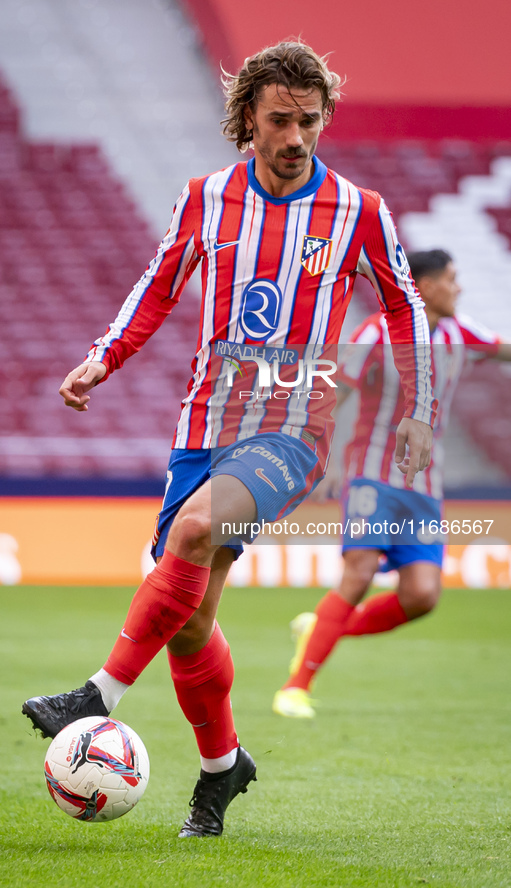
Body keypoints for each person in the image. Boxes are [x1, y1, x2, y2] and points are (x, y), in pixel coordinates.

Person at [22, 41, 436, 837]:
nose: (296, 137)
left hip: (292, 426)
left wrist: (416, 406)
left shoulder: (358, 211)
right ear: (246, 116)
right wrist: (103, 358)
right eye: (280, 120)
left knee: (198, 527)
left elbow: (404, 310)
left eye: (309, 121)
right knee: (189, 621)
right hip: (203, 427)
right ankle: (222, 769)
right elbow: (159, 283)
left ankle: (96, 695)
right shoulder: (205, 198)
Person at [273, 248, 511, 719]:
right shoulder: (377, 331)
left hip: (425, 485)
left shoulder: (460, 333)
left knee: (422, 595)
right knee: (358, 573)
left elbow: (504, 349)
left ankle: (324, 626)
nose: (458, 287)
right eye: (450, 278)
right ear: (423, 286)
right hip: (373, 475)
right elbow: (337, 390)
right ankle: (294, 689)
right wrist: (321, 456)